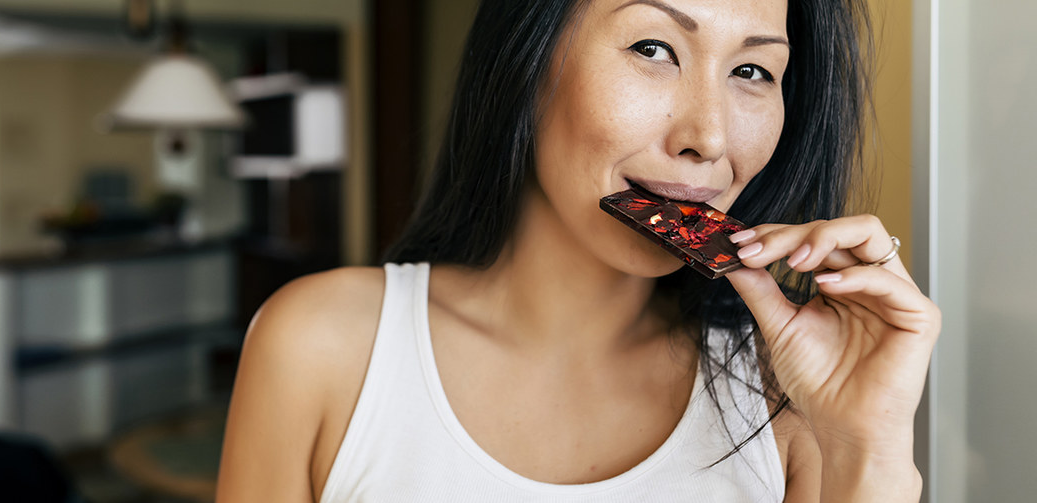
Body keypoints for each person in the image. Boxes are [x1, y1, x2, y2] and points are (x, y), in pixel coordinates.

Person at [217, 0, 940, 500]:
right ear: (526, 63)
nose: (710, 138)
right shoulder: (321, 345)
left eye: (753, 71)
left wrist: (868, 451)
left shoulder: (789, 401)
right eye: (654, 48)